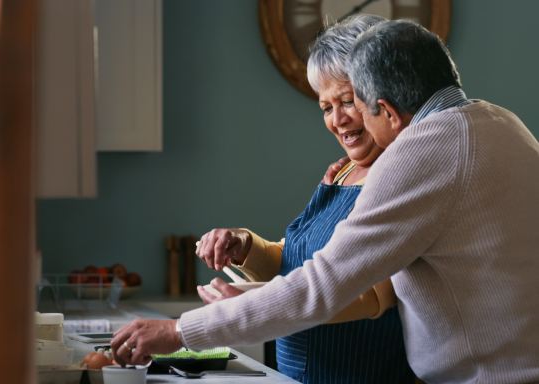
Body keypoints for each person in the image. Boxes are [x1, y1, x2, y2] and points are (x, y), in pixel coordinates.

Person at [111, 20, 539, 383]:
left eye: (355, 104)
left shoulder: (422, 152)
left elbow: (326, 286)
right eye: (326, 107)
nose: (341, 120)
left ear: (386, 111)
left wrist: (180, 330)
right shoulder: (504, 123)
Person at [194, 14, 413, 384]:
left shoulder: (400, 177)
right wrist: (244, 246)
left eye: (347, 101)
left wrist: (257, 304)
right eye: (326, 108)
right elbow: (298, 260)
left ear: (383, 96)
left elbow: (371, 296)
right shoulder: (342, 172)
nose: (338, 120)